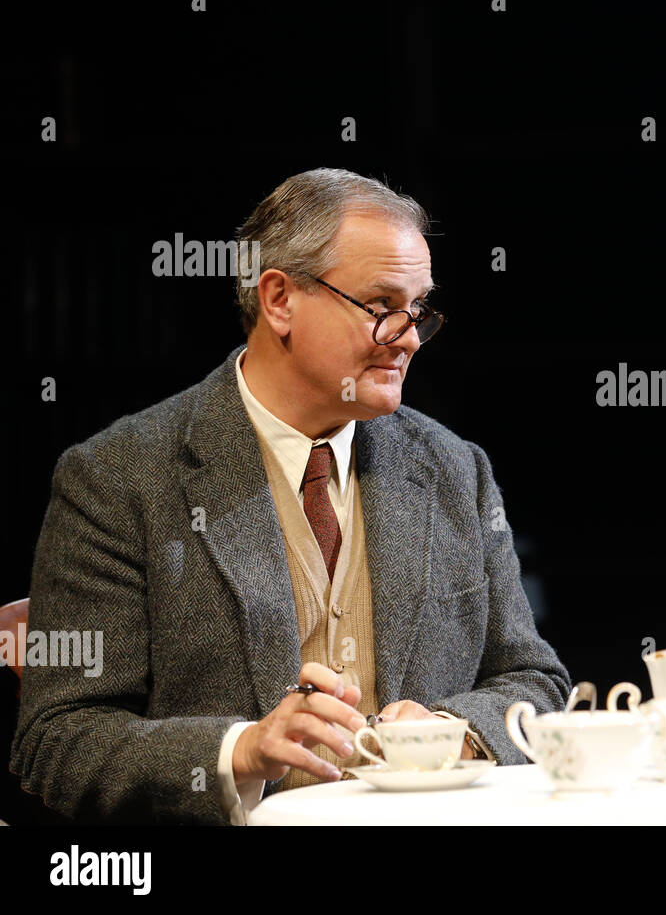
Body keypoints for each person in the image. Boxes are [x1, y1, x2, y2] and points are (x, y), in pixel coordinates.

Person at [10, 168, 571, 824]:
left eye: (418, 309)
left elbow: (536, 683)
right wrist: (242, 750)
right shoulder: (118, 477)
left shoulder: (456, 469)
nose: (411, 336)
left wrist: (452, 727)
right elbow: (58, 740)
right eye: (382, 306)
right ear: (279, 299)